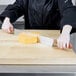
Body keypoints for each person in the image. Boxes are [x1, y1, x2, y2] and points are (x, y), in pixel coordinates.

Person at [0, 0, 76, 50]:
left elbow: (69, 10)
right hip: (30, 42)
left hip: (55, 41)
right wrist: (7, 20)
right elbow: (16, 7)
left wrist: (65, 33)